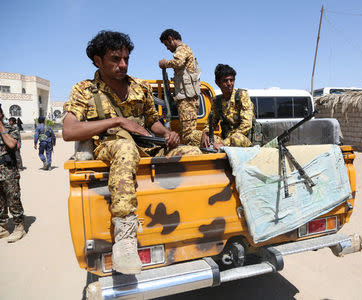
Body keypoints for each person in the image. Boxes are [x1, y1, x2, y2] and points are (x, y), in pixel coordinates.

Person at [62, 30, 201, 275]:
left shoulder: (140, 87)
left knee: (193, 152)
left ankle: (198, 216)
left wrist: (166, 133)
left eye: (126, 58)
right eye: (115, 59)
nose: (123, 64)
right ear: (98, 61)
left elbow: (152, 122)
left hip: (147, 146)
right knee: (125, 148)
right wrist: (118, 121)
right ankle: (125, 238)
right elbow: (70, 130)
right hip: (111, 147)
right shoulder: (84, 90)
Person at [158, 29, 202, 146]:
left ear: (170, 39)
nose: (167, 48)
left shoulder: (181, 49)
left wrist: (165, 64)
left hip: (187, 100)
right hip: (186, 98)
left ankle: (197, 151)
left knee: (188, 135)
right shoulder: (184, 49)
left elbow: (178, 62)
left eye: (166, 44)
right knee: (186, 134)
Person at [201, 64, 255, 150]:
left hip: (242, 140)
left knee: (236, 138)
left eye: (231, 80)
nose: (229, 84)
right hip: (226, 141)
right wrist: (206, 132)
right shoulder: (217, 101)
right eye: (225, 81)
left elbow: (246, 125)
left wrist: (223, 143)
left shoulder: (241, 95)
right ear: (217, 83)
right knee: (197, 136)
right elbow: (211, 124)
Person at [0, 105, 26, 243]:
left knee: (13, 200)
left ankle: (19, 227)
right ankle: (3, 227)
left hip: (8, 172)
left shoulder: (11, 128)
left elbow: (11, 144)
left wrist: (1, 127)